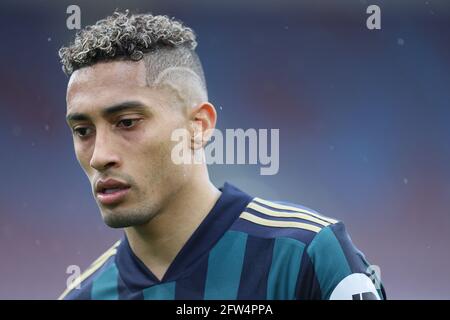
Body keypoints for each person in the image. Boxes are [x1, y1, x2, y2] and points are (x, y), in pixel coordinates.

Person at [58, 10, 385, 300]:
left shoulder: (307, 256)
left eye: (127, 123)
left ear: (198, 127)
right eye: (83, 131)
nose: (100, 156)